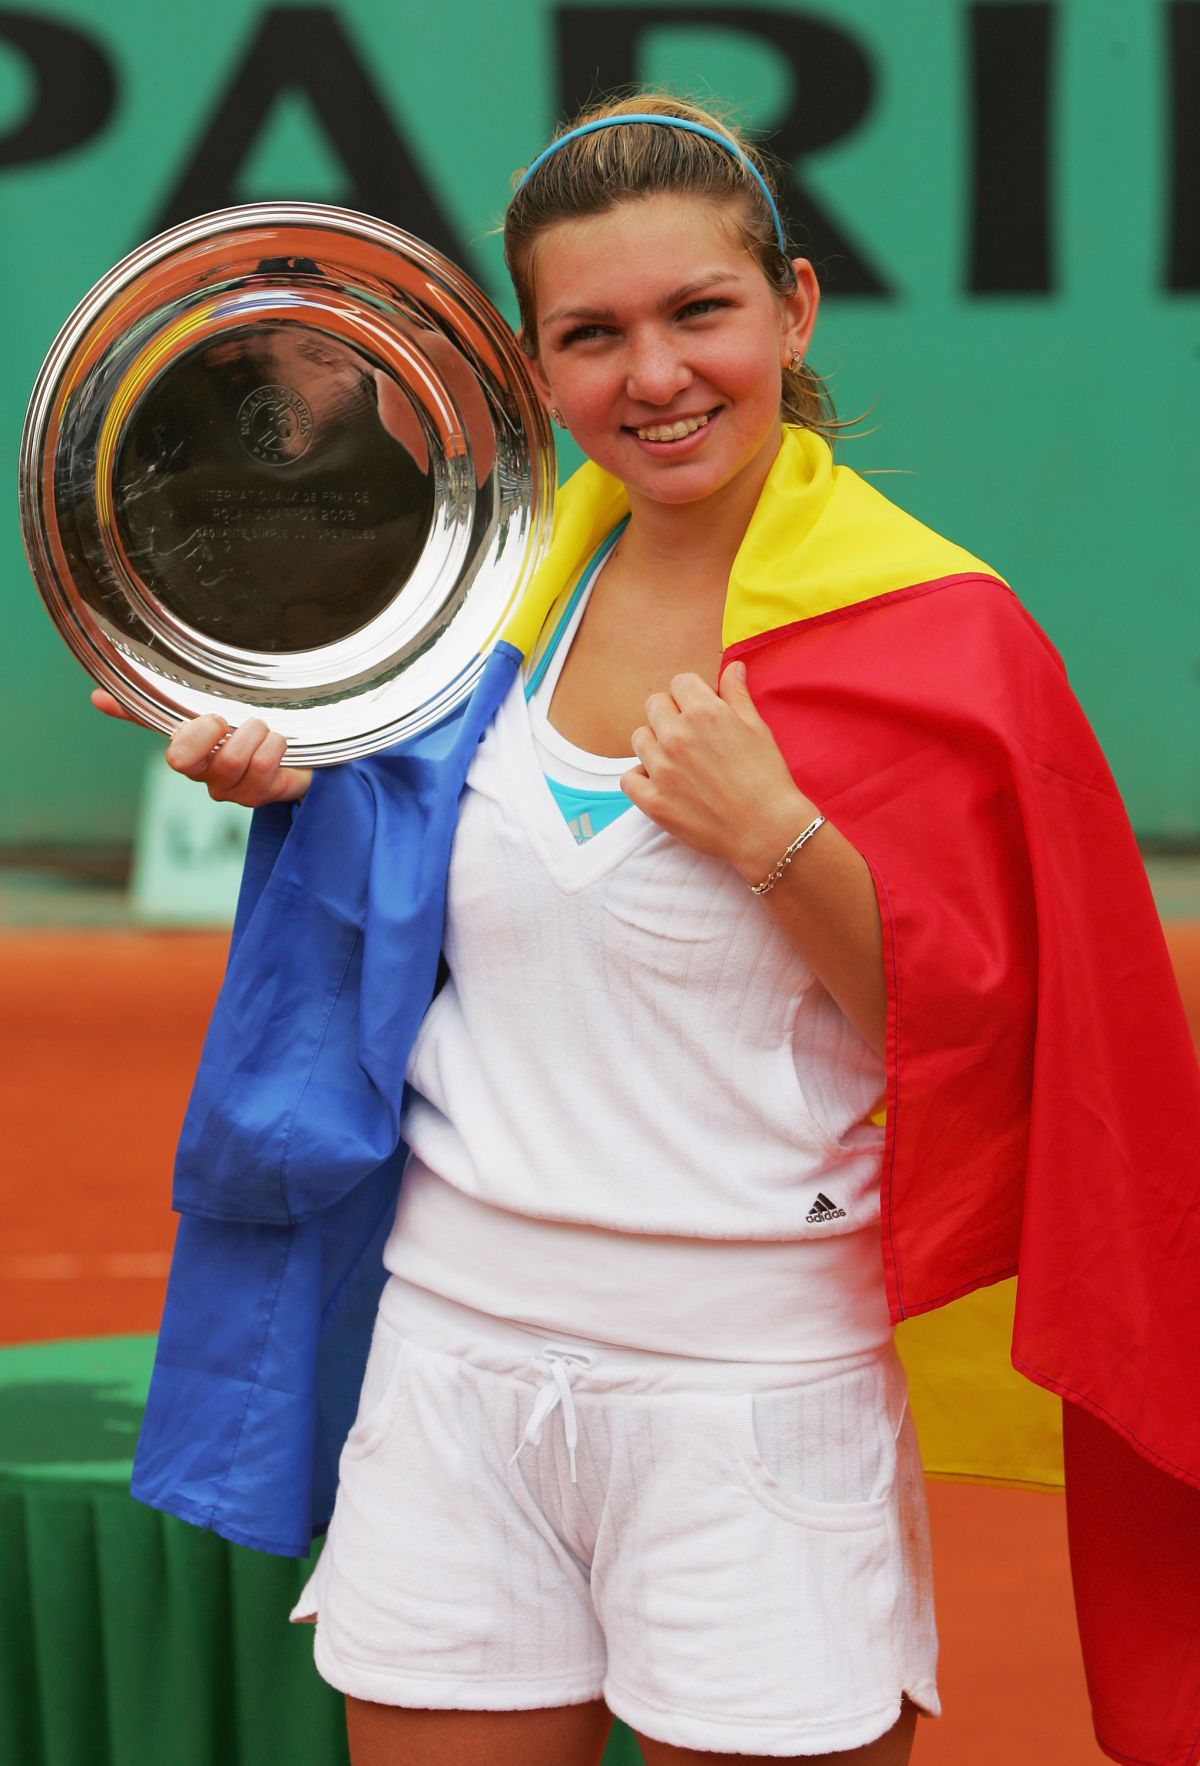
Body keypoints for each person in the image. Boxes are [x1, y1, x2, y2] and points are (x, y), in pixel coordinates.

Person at [95, 94, 1200, 1766]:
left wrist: (785, 841)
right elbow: (394, 919)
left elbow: (1009, 1049)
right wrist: (282, 777)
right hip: (454, 1362)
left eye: (701, 312)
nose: (656, 374)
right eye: (591, 334)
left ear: (795, 309)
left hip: (751, 1399)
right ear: (530, 368)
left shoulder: (947, 643)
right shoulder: (463, 618)